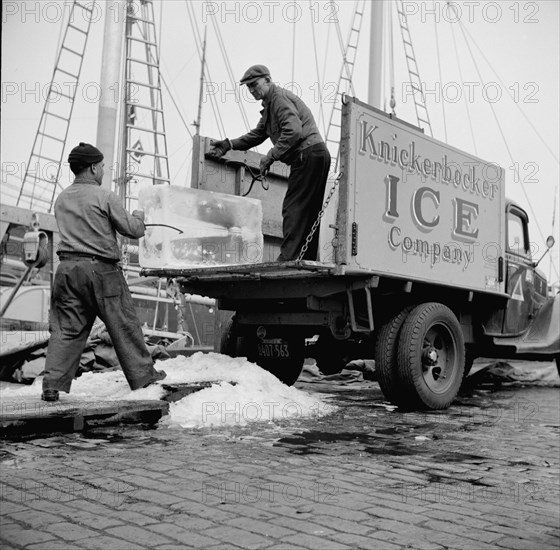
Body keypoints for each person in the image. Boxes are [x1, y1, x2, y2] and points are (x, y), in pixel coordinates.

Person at [41, 142, 166, 401]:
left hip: (66, 270)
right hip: (101, 271)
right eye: (102, 167)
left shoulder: (62, 198)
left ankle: (52, 385)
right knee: (123, 324)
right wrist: (139, 216)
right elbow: (132, 229)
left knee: (66, 330)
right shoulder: (104, 196)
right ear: (93, 167)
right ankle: (144, 377)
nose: (103, 171)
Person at [210, 64, 331, 261]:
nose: (251, 90)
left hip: (308, 154)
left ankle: (290, 257)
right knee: (308, 211)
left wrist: (271, 156)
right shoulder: (269, 107)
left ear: (267, 80)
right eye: (248, 87)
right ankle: (302, 257)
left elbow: (294, 130)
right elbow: (256, 135)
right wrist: (228, 144)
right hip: (314, 155)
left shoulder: (279, 99)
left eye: (254, 84)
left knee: (294, 208)